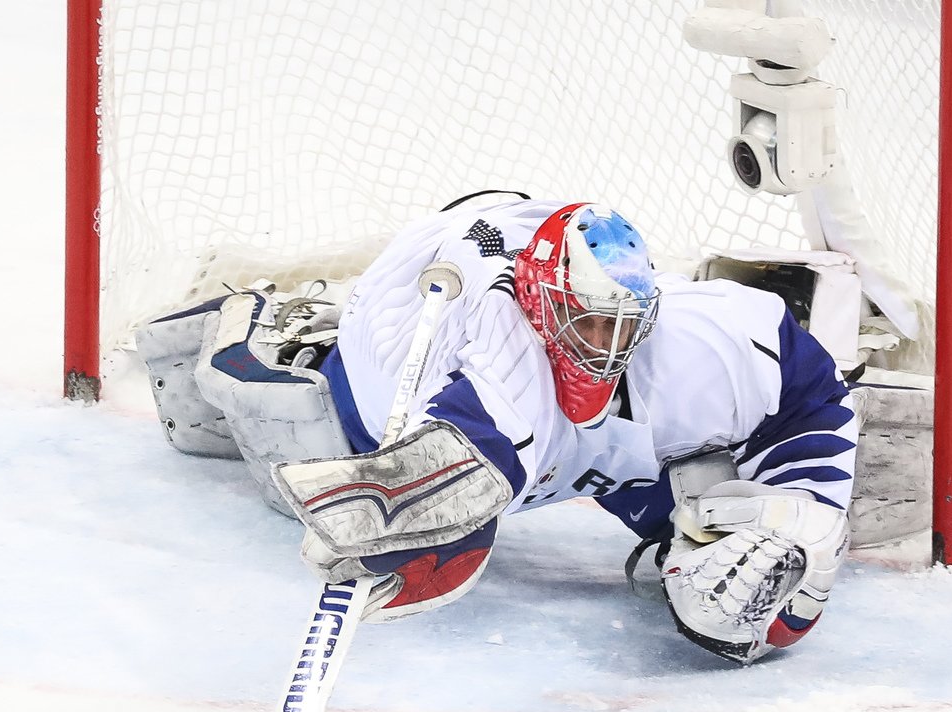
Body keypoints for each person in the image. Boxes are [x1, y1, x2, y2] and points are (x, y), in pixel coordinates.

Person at [137, 196, 856, 665]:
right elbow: (475, 453)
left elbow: (812, 395)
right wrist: (392, 501)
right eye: (590, 323)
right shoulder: (502, 361)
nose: (604, 345)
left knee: (714, 516)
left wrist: (808, 513)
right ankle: (280, 334)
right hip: (394, 330)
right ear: (543, 303)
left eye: (622, 325)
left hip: (517, 239)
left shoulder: (703, 334)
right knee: (299, 442)